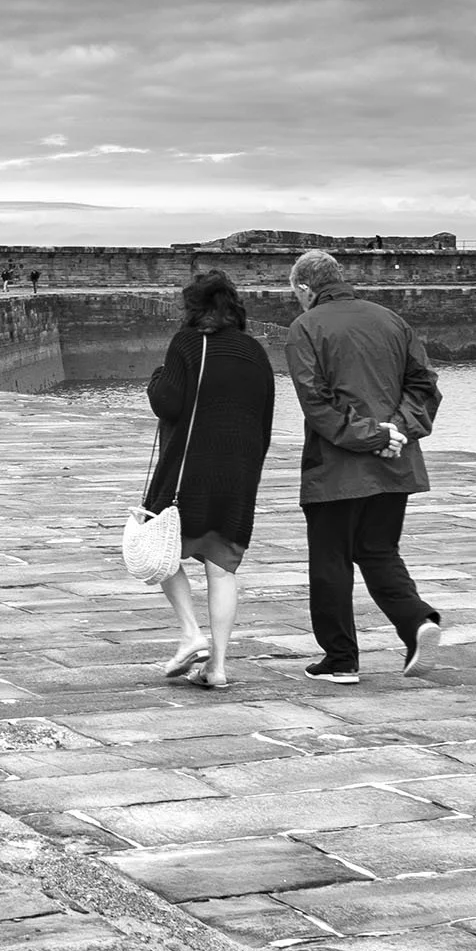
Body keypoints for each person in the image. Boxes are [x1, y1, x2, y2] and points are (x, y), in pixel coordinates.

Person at [285, 249, 444, 685]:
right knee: (378, 550)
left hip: (336, 469)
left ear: (304, 288)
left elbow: (316, 402)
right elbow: (425, 386)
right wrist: (398, 431)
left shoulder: (305, 327)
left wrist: (373, 435)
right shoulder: (392, 321)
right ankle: (416, 624)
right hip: (395, 464)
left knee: (330, 559)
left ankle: (340, 659)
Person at [144, 269, 276, 690]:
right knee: (222, 570)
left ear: (193, 308)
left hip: (189, 467)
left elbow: (168, 403)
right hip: (239, 472)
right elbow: (265, 420)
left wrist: (155, 381)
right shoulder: (255, 351)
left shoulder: (187, 343)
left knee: (158, 545)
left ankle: (190, 633)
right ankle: (217, 667)